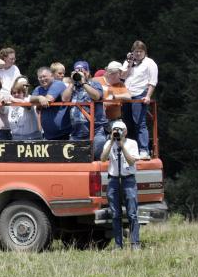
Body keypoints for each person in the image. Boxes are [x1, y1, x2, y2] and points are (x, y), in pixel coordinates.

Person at [101, 120, 140, 250]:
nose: (117, 132)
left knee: (132, 213)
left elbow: (131, 161)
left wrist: (122, 146)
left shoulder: (132, 143)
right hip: (113, 179)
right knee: (115, 214)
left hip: (128, 179)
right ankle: (118, 245)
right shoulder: (109, 143)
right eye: (115, 130)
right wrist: (112, 141)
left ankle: (135, 243)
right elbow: (102, 158)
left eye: (120, 130)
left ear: (125, 131)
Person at [120, 40, 158, 159]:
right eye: (136, 52)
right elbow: (122, 76)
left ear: (144, 52)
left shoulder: (150, 63)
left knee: (139, 123)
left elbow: (153, 81)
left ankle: (144, 150)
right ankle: (131, 149)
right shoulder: (128, 62)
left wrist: (148, 96)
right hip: (127, 94)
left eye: (140, 52)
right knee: (127, 123)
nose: (138, 54)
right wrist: (130, 63)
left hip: (140, 94)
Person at [62, 59, 107, 158]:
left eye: (82, 71)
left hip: (95, 131)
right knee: (75, 160)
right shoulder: (72, 86)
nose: (80, 73)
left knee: (97, 156)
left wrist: (83, 83)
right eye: (77, 71)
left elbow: (96, 96)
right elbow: (64, 99)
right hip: (76, 133)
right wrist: (72, 83)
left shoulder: (94, 84)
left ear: (88, 72)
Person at [30, 66, 71, 140]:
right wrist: (40, 98)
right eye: (40, 77)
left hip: (64, 133)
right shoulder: (38, 89)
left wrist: (39, 101)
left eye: (44, 76)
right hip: (48, 135)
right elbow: (31, 99)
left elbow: (49, 99)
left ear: (52, 76)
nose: (42, 79)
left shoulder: (58, 84)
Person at [5, 76, 42, 140]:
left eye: (19, 92)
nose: (16, 94)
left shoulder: (29, 98)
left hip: (31, 138)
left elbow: (27, 105)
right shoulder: (10, 102)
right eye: (14, 93)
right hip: (15, 138)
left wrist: (13, 100)